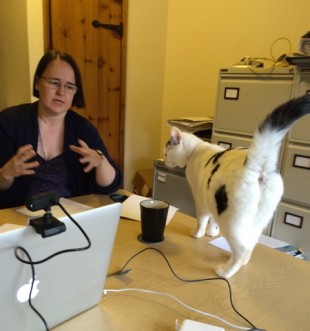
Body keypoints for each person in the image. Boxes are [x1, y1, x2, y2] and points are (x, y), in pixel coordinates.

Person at [0, 50, 122, 209]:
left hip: (72, 220)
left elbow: (112, 185)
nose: (61, 92)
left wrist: (100, 162)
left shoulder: (83, 129)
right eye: (54, 82)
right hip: (18, 222)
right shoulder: (10, 121)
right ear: (37, 82)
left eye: (69, 86)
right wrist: (6, 174)